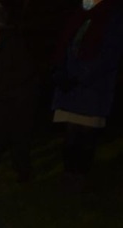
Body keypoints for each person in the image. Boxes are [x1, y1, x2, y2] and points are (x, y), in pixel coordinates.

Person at [50, 0, 123, 190]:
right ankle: (68, 172)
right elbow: (66, 42)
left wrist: (80, 74)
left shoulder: (112, 16)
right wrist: (61, 70)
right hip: (71, 85)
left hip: (92, 87)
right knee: (70, 131)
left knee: (86, 133)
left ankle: (79, 173)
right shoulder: (79, 14)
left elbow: (109, 54)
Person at [0, 0, 39, 183]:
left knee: (18, 137)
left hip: (18, 99)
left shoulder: (12, 43)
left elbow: (21, 72)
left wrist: (1, 87)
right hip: (4, 98)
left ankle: (23, 172)